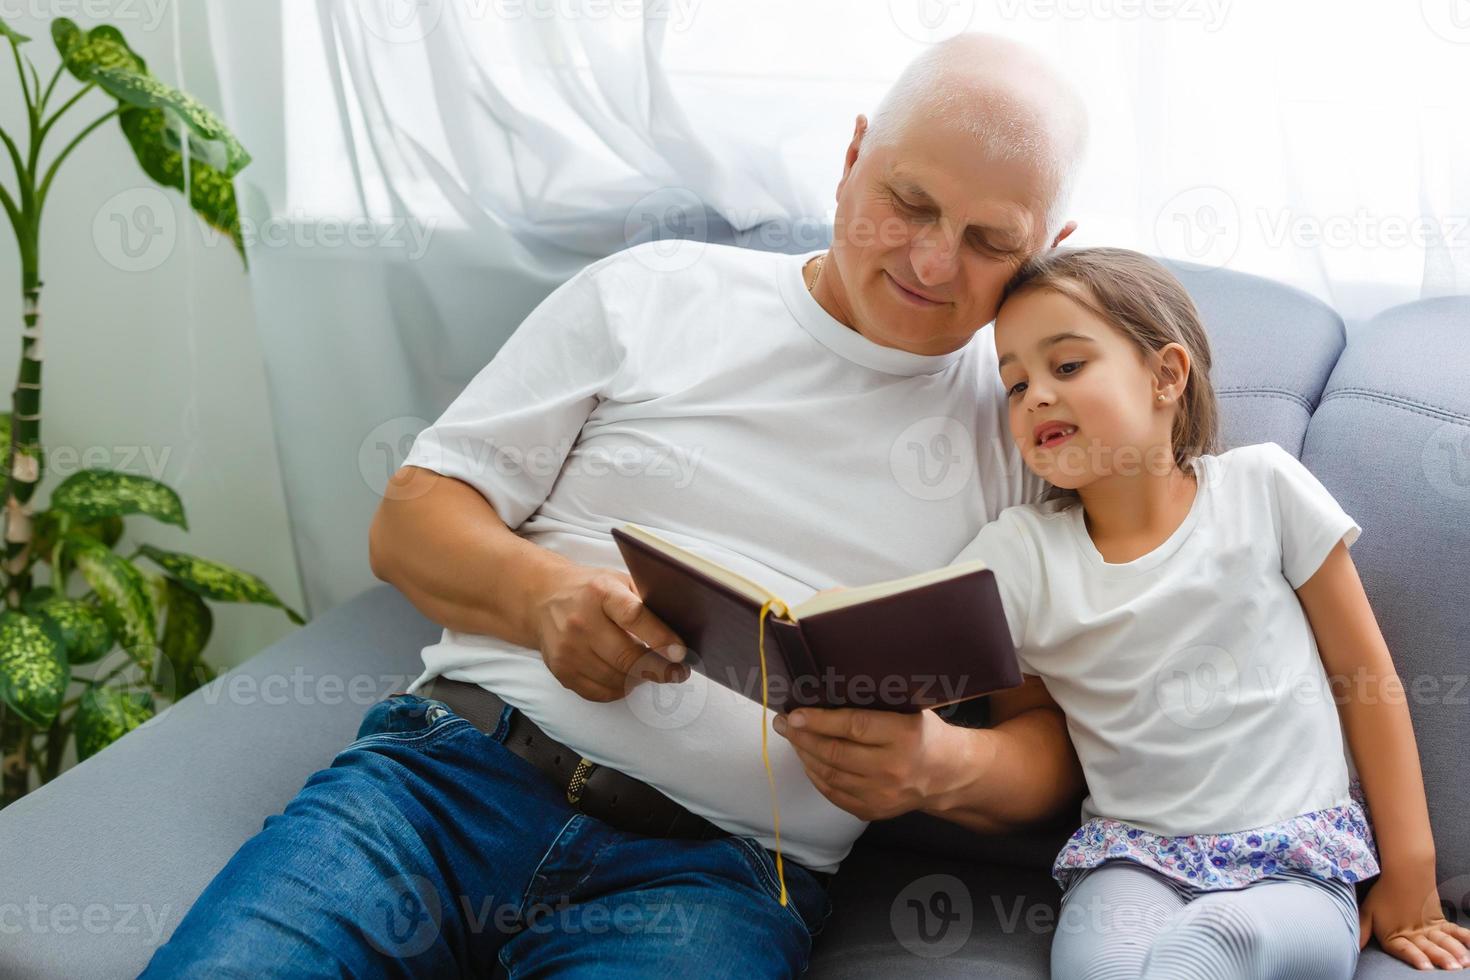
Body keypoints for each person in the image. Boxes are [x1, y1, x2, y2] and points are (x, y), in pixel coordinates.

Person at [140, 34, 1096, 977]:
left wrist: (941, 767)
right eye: (909, 202)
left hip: (713, 880)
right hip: (444, 782)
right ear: (851, 160)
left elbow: (1049, 743)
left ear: (1046, 251)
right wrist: (543, 597)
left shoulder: (1027, 434)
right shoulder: (657, 292)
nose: (932, 262)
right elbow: (410, 521)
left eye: (989, 242)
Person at [877, 246, 1468, 976]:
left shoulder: (1263, 489)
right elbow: (911, 649)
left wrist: (1411, 865)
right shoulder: (1020, 555)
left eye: (1066, 367)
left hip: (1296, 867)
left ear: (1166, 376)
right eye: (1014, 383)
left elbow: (1363, 671)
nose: (1033, 397)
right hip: (1133, 861)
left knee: (1215, 940)